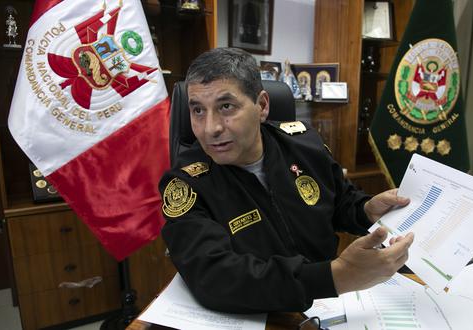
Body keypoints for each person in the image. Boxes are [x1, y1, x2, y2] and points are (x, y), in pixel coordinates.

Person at [159, 47, 414, 313]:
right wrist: (336, 276)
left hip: (333, 306)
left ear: (262, 106)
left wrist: (365, 209)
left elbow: (340, 201)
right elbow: (215, 277)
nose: (210, 128)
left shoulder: (304, 146)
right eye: (198, 110)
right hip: (261, 314)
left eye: (226, 106)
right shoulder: (186, 184)